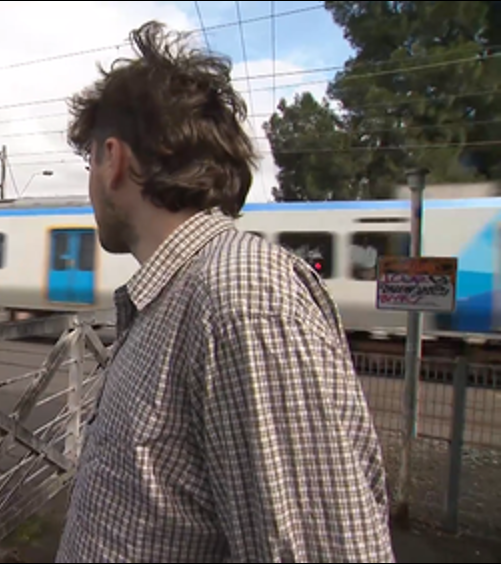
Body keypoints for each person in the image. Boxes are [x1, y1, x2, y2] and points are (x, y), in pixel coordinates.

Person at [55, 20, 396, 563]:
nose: (90, 184)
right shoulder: (178, 297)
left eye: (89, 159)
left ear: (113, 158)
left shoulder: (242, 299)